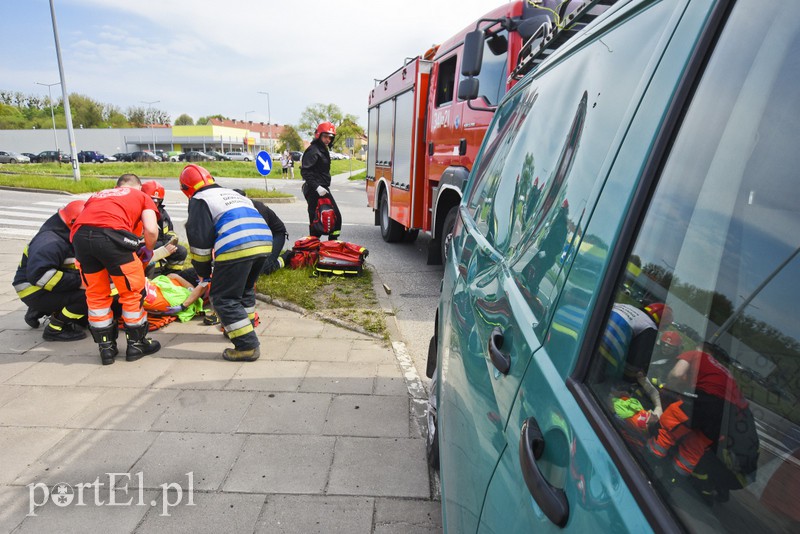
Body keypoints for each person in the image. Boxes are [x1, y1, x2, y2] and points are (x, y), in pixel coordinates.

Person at [180, 164, 272, 361]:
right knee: (245, 290)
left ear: (186, 189)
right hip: (264, 241)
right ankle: (243, 329)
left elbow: (200, 243)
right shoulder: (232, 193)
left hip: (237, 244)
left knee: (223, 298)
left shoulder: (199, 199)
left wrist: (203, 273)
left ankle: (246, 345)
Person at [71, 174, 162, 365]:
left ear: (117, 186)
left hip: (80, 239)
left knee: (96, 294)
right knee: (132, 292)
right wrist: (149, 248)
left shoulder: (99, 195)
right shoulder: (141, 196)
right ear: (139, 187)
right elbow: (152, 230)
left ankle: (106, 348)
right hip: (112, 237)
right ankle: (136, 345)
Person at [13, 200, 88, 341]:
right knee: (90, 296)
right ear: (74, 224)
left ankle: (42, 309)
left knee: (85, 315)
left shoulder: (64, 233)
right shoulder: (50, 242)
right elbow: (40, 276)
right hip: (34, 289)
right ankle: (56, 328)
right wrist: (80, 282)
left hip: (40, 286)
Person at [598, 301, 673, 381]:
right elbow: (632, 365)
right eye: (665, 327)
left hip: (589, 340)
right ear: (662, 324)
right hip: (604, 359)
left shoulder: (623, 305)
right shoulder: (649, 327)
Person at [301, 121, 342, 240]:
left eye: (330, 137)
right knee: (316, 218)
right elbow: (305, 172)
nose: (328, 139)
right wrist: (317, 187)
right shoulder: (313, 150)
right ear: (319, 135)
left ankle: (331, 243)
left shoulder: (322, 149)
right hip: (315, 190)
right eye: (325, 136)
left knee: (333, 216)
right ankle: (313, 247)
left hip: (322, 189)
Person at [232, 189, 288, 275]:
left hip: (275, 235)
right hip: (256, 236)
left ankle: (285, 257)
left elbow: (261, 238)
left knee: (262, 269)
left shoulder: (258, 209)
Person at [141, 180, 187, 275]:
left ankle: (171, 275)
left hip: (162, 243)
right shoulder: (138, 214)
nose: (155, 204)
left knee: (181, 251)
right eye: (152, 200)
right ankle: (153, 275)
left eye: (158, 201)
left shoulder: (162, 214)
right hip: (145, 248)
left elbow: (170, 232)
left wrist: (170, 239)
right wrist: (163, 244)